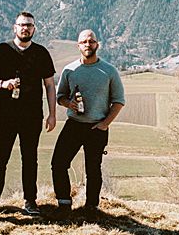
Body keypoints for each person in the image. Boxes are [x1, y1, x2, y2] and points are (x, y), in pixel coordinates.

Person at [0, 12, 56, 217]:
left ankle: (30, 202)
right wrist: (2, 84)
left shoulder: (41, 53)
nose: (25, 28)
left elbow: (49, 85)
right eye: (22, 25)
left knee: (30, 159)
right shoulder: (2, 50)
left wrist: (52, 114)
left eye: (29, 25)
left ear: (34, 29)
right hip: (5, 115)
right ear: (14, 28)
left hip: (31, 116)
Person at [51, 29, 125, 218]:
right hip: (74, 124)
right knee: (58, 163)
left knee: (93, 169)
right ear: (78, 46)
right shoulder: (69, 70)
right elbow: (60, 96)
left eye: (91, 41)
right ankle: (64, 203)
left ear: (97, 44)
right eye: (83, 42)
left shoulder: (109, 71)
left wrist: (105, 124)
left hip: (97, 126)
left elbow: (118, 101)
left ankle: (91, 207)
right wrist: (69, 103)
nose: (87, 44)